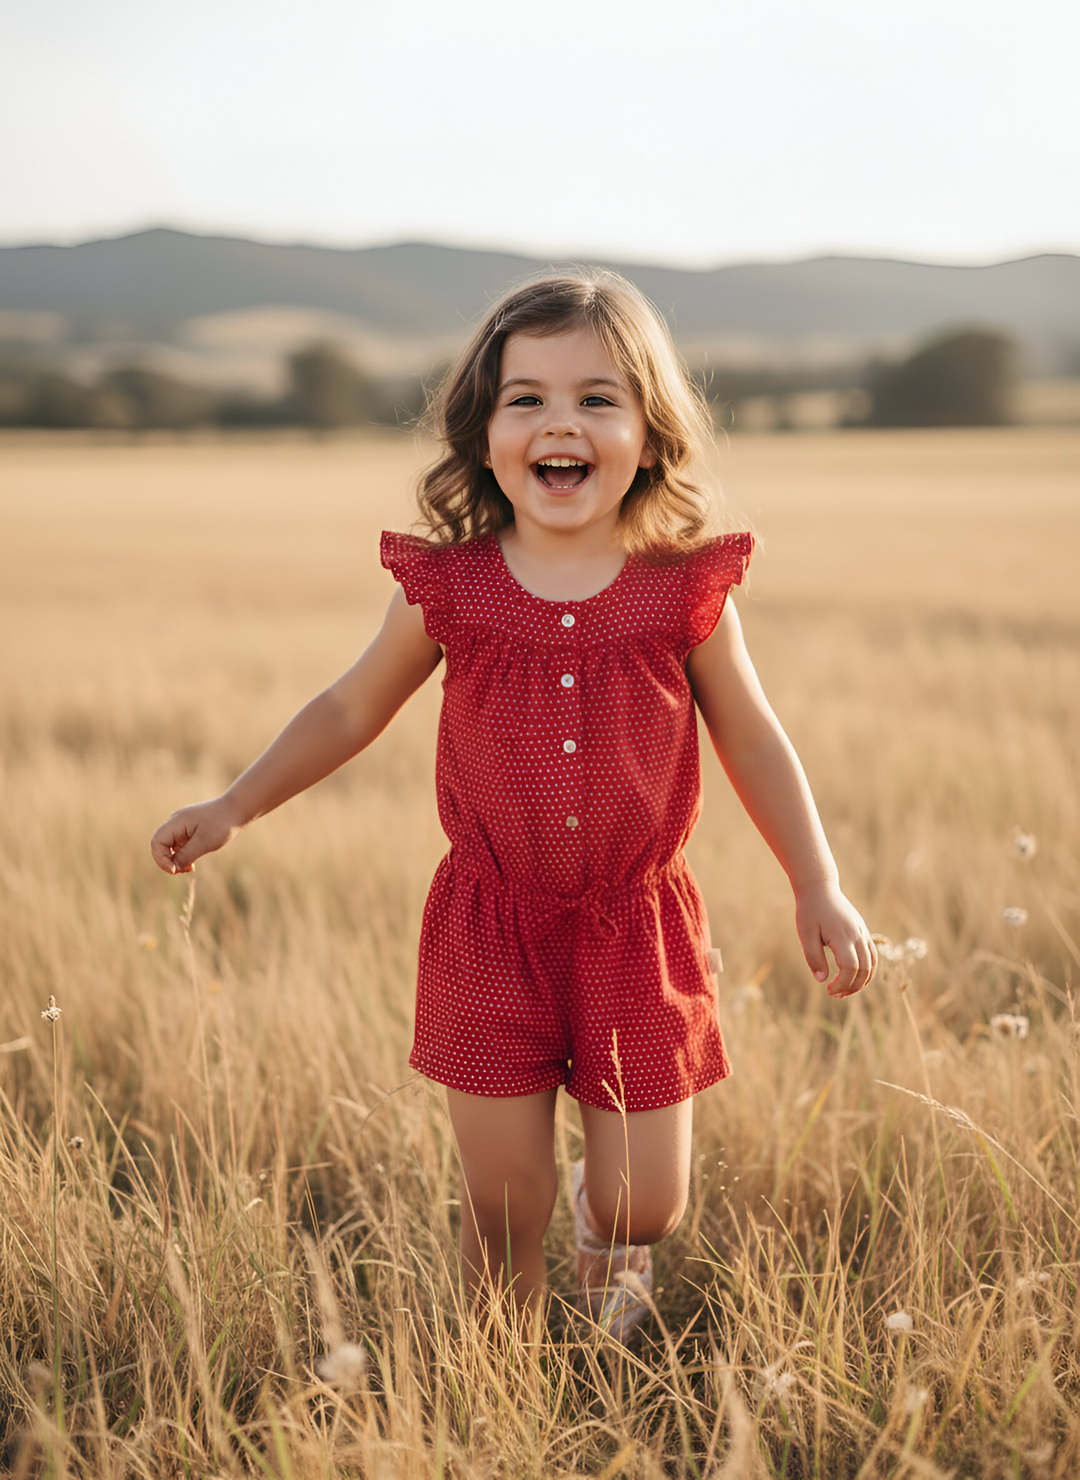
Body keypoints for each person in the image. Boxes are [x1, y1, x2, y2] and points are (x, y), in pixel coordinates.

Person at [151, 272, 877, 1339]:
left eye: (596, 397)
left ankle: (604, 1231)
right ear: (485, 434)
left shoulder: (683, 590)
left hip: (635, 929)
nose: (560, 422)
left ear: (648, 430)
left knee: (647, 1202)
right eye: (525, 398)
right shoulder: (453, 588)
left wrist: (818, 881)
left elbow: (756, 738)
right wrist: (235, 803)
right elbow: (351, 706)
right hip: (490, 930)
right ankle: (503, 1385)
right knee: (500, 1203)